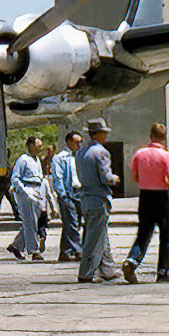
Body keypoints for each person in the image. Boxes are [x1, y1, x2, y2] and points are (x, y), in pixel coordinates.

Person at [124, 123, 169, 284]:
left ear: (151, 135)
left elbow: (134, 176)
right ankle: (162, 271)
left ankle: (132, 260)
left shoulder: (140, 154)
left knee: (144, 233)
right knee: (167, 235)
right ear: (164, 137)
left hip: (145, 196)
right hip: (161, 196)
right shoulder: (166, 155)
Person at [76, 118, 122, 284]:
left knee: (101, 234)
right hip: (98, 197)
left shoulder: (81, 151)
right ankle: (86, 273)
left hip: (86, 198)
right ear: (99, 133)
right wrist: (115, 179)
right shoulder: (101, 152)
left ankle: (107, 269)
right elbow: (106, 177)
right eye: (105, 132)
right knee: (93, 238)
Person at [5, 137, 47, 262]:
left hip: (37, 191)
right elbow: (15, 177)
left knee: (32, 223)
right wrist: (23, 191)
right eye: (38, 145)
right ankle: (34, 251)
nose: (40, 148)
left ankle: (16, 246)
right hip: (27, 191)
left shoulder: (37, 160)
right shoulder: (23, 159)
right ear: (31, 145)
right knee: (30, 222)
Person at [50, 132, 84, 262]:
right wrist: (62, 195)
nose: (79, 144)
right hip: (68, 194)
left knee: (72, 224)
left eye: (80, 141)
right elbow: (57, 178)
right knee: (72, 223)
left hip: (80, 193)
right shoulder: (61, 158)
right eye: (76, 142)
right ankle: (79, 250)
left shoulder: (81, 157)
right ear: (69, 142)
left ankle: (65, 251)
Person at [0, 157, 19, 223]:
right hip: (3, 185)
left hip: (5, 185)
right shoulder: (2, 165)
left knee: (11, 201)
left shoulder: (6, 165)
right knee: (1, 201)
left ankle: (17, 214)